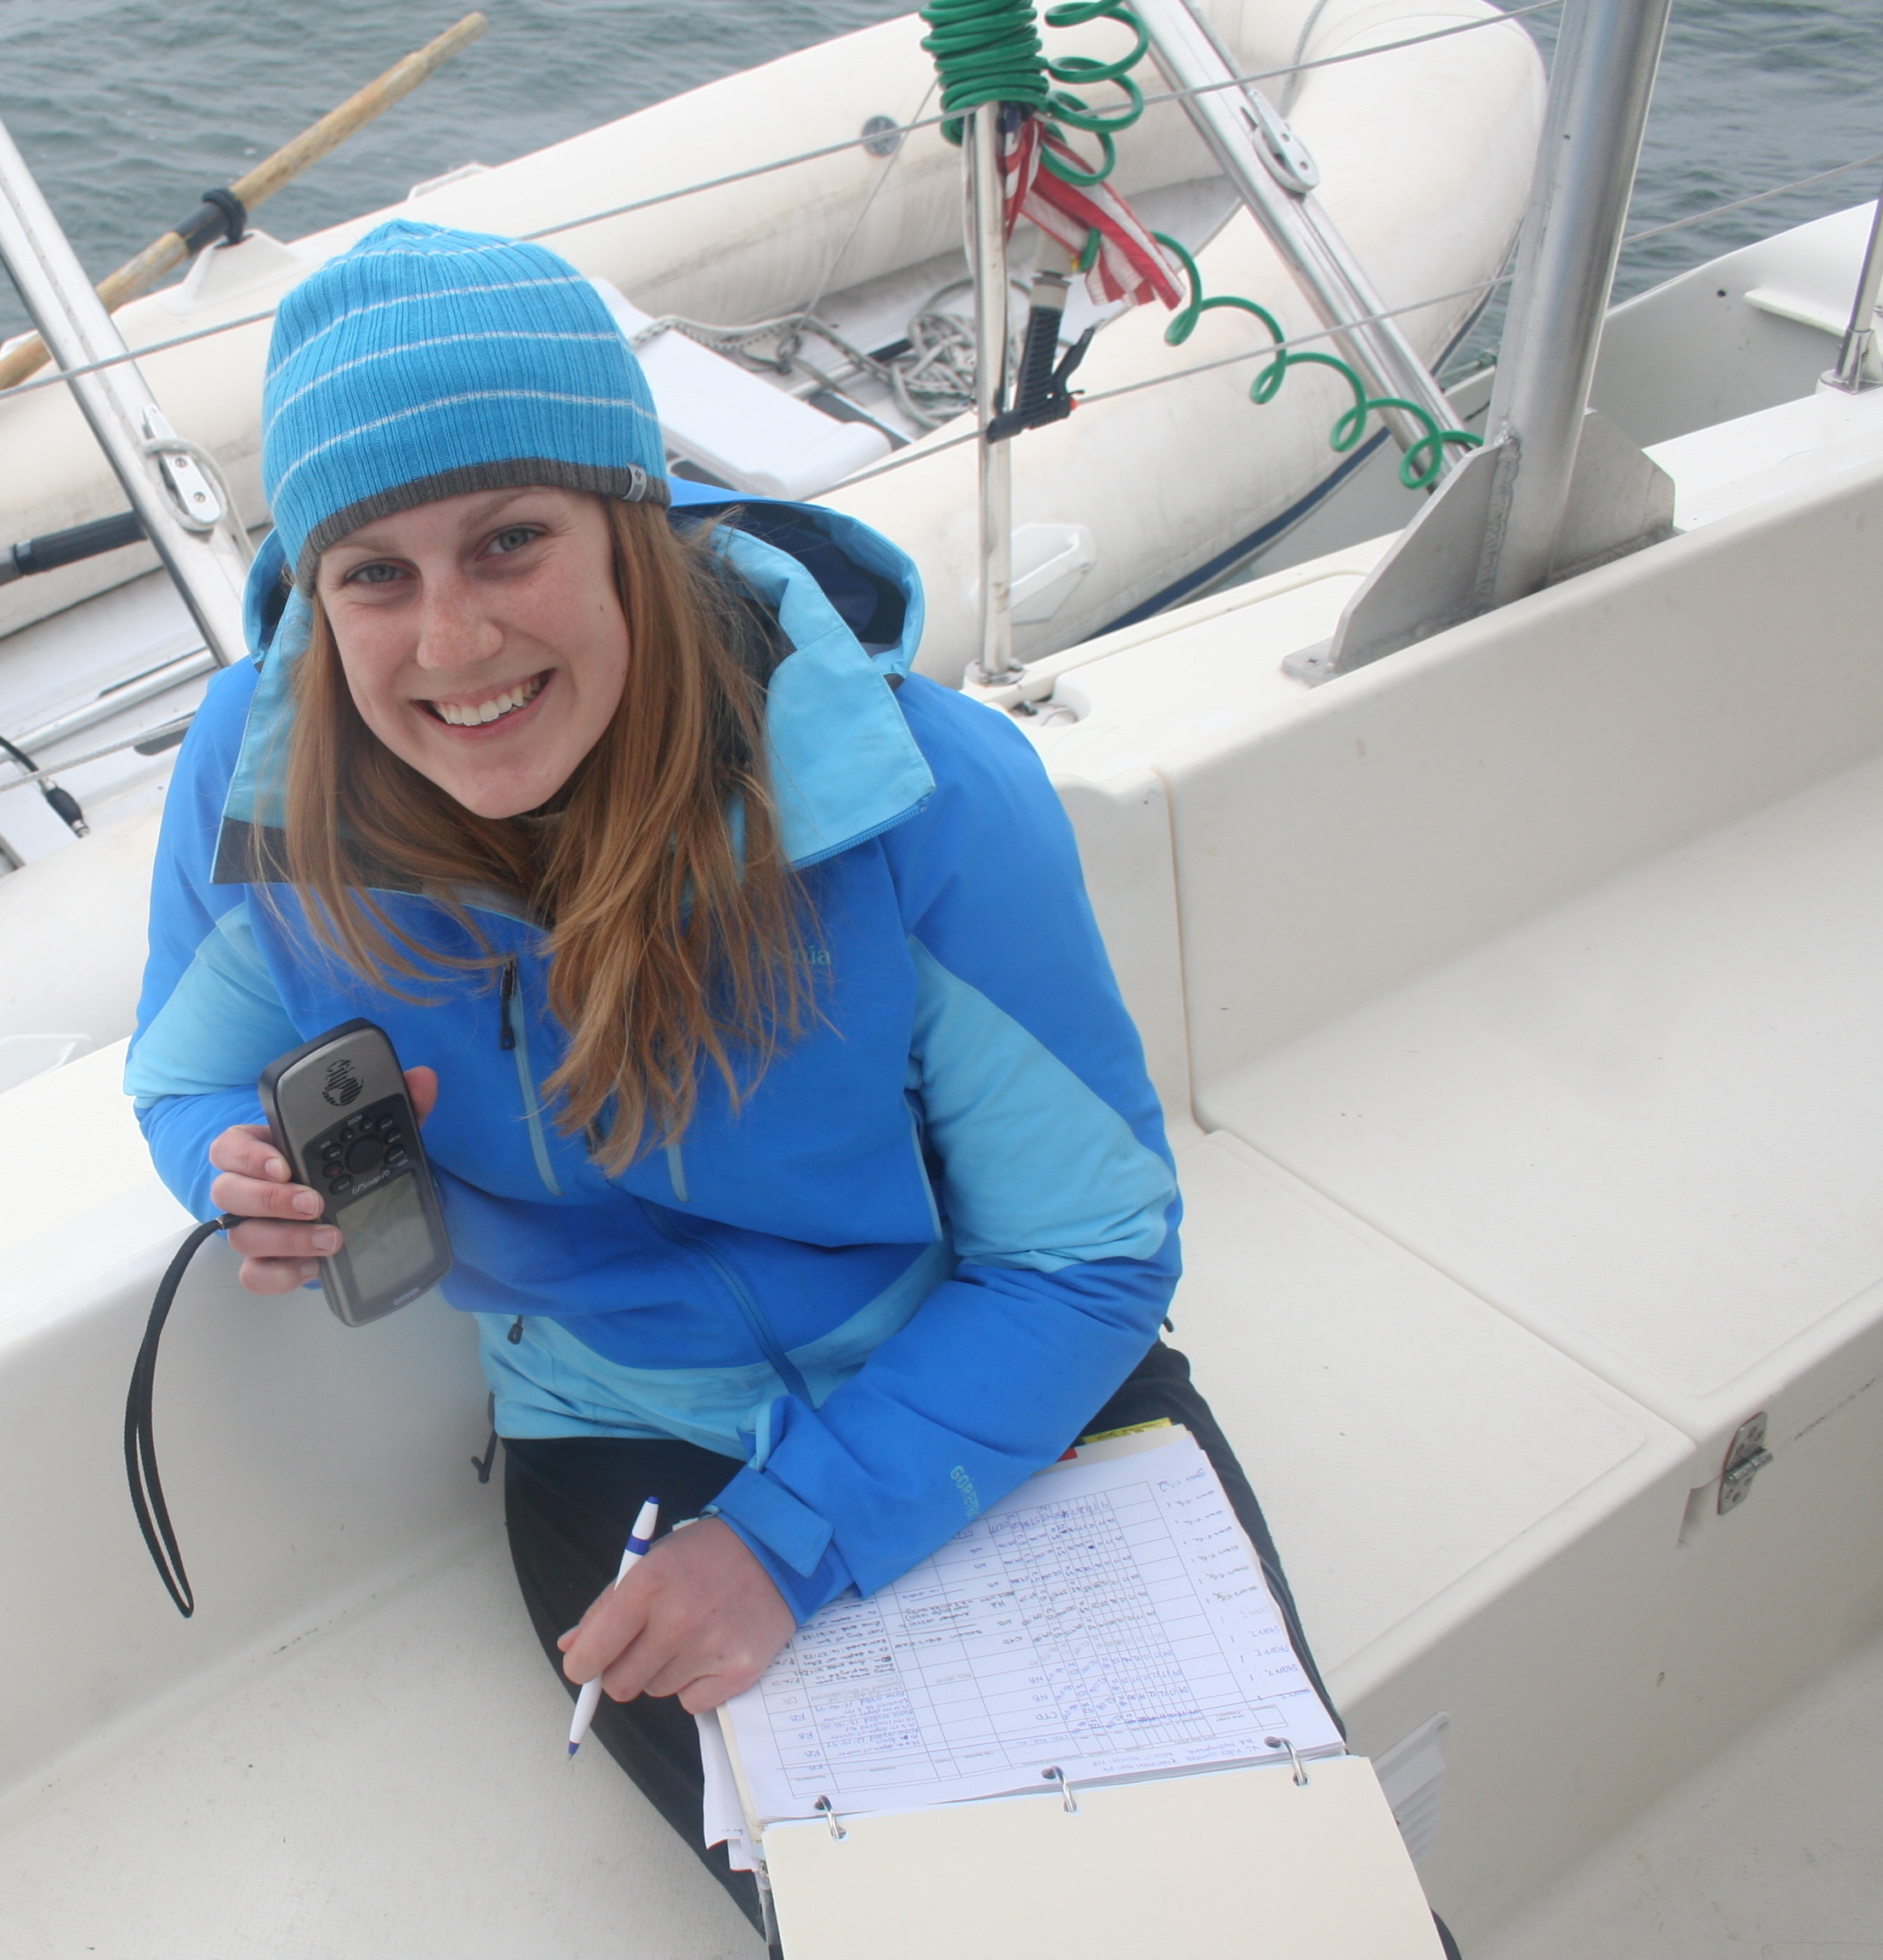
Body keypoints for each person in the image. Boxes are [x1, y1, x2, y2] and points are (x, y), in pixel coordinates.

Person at [124, 219, 1334, 1929]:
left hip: (985, 1367)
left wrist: (788, 1539)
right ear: (314, 596)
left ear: (629, 525)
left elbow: (1085, 1256)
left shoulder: (928, 798)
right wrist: (233, 1164)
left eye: (510, 540)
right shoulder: (262, 784)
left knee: (1292, 1909)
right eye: (374, 574)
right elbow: (184, 1070)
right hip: (618, 1422)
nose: (449, 643)